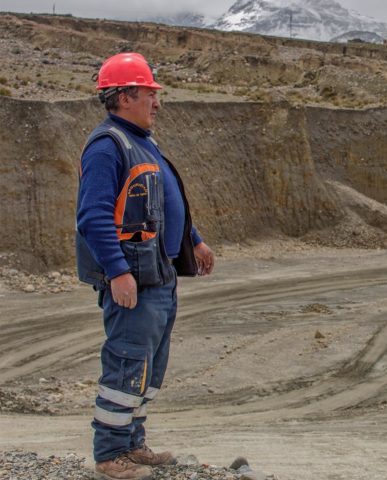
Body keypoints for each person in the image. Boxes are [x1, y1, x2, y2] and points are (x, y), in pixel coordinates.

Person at [76, 52, 215, 480]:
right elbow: (93, 216)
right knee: (126, 363)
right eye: (150, 93)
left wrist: (194, 240)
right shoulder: (108, 146)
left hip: (159, 274)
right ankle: (110, 455)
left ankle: (133, 443)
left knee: (149, 366)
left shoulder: (142, 141)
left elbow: (162, 201)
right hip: (134, 278)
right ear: (124, 96)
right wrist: (118, 272)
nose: (157, 102)